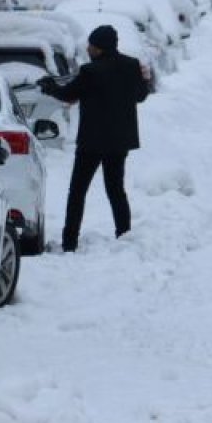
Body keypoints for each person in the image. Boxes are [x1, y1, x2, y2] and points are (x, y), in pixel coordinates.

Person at [37, 25, 150, 252]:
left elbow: (68, 94)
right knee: (116, 189)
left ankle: (70, 242)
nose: (88, 48)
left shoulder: (90, 71)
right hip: (119, 141)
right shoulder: (130, 66)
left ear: (100, 47)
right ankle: (124, 233)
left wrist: (49, 87)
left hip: (92, 142)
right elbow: (141, 95)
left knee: (78, 191)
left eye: (92, 44)